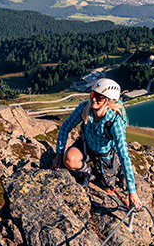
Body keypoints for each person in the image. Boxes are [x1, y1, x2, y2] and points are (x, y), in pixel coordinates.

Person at [52, 78, 142, 209]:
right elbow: (65, 127)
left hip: (105, 156)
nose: (94, 99)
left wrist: (132, 192)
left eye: (99, 97)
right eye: (93, 94)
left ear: (110, 100)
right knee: (69, 160)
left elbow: (123, 155)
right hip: (86, 146)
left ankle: (98, 175)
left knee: (108, 188)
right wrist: (59, 154)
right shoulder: (85, 109)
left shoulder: (114, 122)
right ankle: (88, 171)